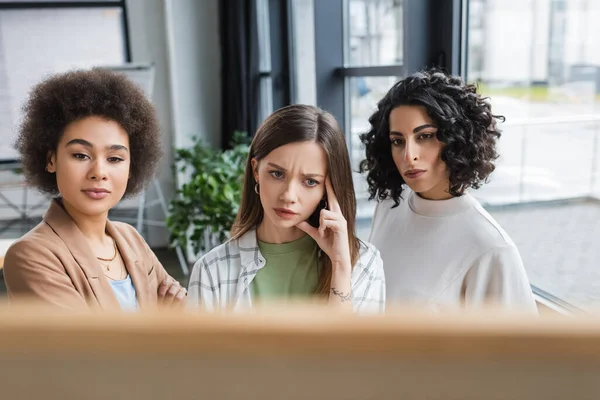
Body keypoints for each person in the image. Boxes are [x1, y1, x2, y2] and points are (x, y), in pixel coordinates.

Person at [4, 68, 186, 311]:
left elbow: (185, 314)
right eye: (80, 155)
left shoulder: (130, 238)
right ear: (51, 160)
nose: (99, 172)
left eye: (115, 158)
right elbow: (86, 348)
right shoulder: (31, 255)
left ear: (132, 166)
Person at [360, 68, 537, 312]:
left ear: (456, 138)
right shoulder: (390, 207)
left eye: (425, 136)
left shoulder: (491, 248)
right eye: (397, 141)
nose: (409, 155)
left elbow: (519, 347)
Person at [187, 104, 385, 313]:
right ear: (256, 170)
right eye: (277, 174)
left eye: (310, 182)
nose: (289, 196)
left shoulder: (364, 264)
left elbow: (353, 347)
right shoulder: (212, 270)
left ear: (328, 189)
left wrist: (341, 268)